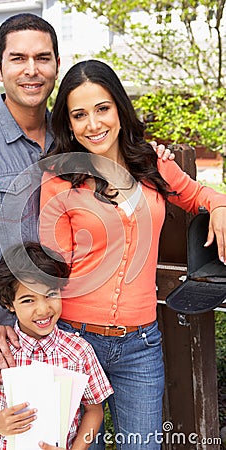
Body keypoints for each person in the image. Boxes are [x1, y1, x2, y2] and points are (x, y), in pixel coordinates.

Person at [0, 12, 172, 449]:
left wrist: (152, 154)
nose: (31, 69)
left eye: (43, 58)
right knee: (13, 439)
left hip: (70, 332)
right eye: (17, 58)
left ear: (57, 65)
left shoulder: (75, 140)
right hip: (5, 337)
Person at [39, 59, 226, 450]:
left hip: (140, 347)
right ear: (68, 124)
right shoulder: (58, 181)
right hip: (74, 340)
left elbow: (199, 194)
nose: (93, 124)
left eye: (102, 108)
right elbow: (54, 270)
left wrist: (220, 208)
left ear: (120, 110)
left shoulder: (153, 164)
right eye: (79, 114)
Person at [0, 241, 113, 450]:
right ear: (9, 304)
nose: (43, 309)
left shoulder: (79, 352)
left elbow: (94, 410)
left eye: (51, 294)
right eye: (28, 300)